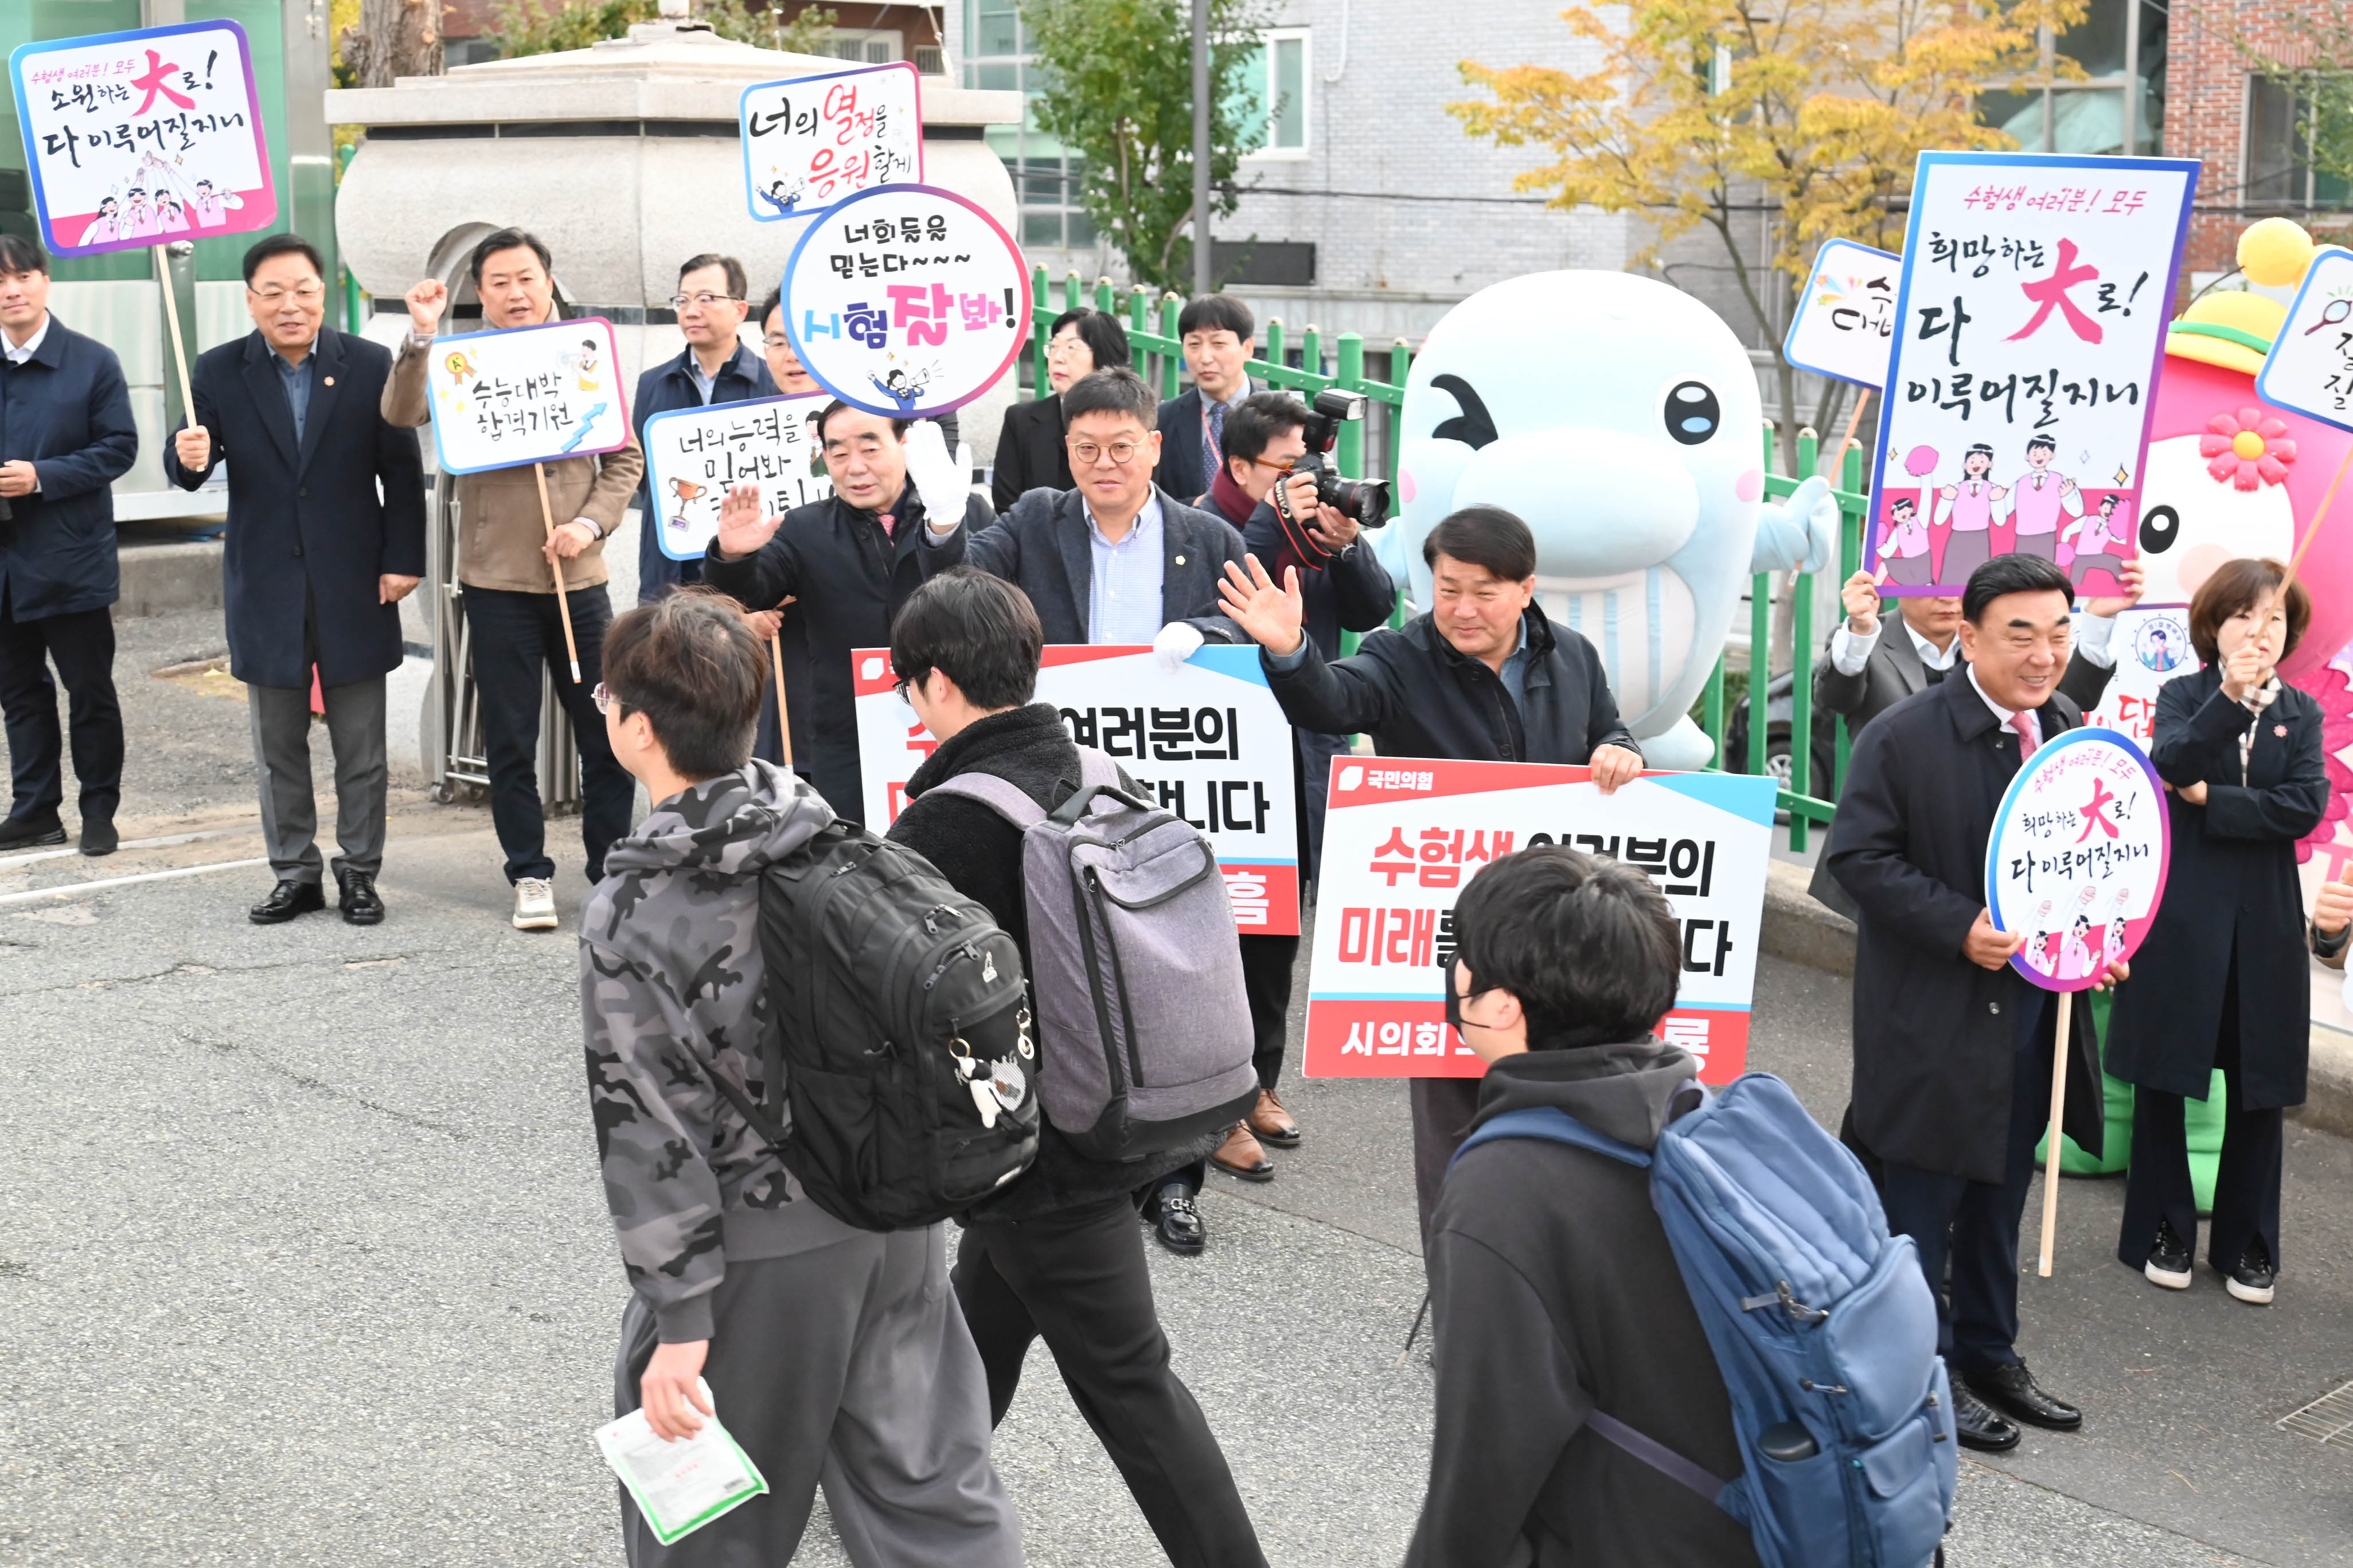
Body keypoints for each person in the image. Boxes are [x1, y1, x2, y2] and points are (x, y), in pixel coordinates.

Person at [581, 589, 1022, 1568]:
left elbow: (652, 1131)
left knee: (709, 1527)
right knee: (930, 1503)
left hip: (762, 1256)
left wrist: (681, 1326)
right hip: (895, 1221)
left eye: (609, 694)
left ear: (640, 730)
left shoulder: (638, 904)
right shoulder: (825, 832)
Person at [883, 568, 1265, 1568]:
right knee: (980, 1327)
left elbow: (896, 997)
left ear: (929, 684)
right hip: (1121, 1104)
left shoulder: (947, 823)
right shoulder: (1096, 770)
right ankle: (909, 1495)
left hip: (1042, 1154)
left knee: (1130, 1383)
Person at [1215, 503, 1645, 1243]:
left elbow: (1605, 727)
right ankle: (1467, 1298)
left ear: (1525, 588)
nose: (1462, 608)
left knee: (1559, 1121)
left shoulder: (1571, 655)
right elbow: (1332, 700)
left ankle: (1553, 1280)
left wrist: (1616, 746)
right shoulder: (1398, 655)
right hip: (1453, 937)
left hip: (1557, 934)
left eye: (1482, 591)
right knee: (1457, 1126)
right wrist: (1289, 652)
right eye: (1447, 588)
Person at [939, 365, 1251, 1250]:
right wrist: (938, 521)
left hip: (1169, 789)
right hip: (1063, 780)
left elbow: (1245, 619)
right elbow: (963, 586)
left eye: (1121, 446)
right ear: (1064, 448)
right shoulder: (1035, 520)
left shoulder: (1205, 535)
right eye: (1085, 448)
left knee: (1164, 964)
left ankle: (1175, 1176)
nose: (1103, 463)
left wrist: (1211, 636)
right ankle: (1086, 1139)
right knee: (1082, 959)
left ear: (1157, 445)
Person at [1823, 552, 2122, 1454]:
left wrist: (2093, 937)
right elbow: (1854, 861)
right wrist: (1957, 925)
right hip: (1933, 1011)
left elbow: (2079, 857)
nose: (2044, 653)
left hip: (2031, 1011)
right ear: (1971, 636)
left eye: (2059, 632)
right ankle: (1922, 1370)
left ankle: (1990, 1350)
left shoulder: (2065, 721)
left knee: (2001, 1189)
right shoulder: (1906, 734)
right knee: (1920, 1198)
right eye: (2020, 633)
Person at [1407, 845, 1760, 1568]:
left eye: (1462, 954)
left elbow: (1488, 1459)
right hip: (1767, 1519)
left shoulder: (1503, 1188)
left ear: (1500, 1002)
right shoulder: (1704, 1112)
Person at [385, 229, 645, 932]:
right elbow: (400, 413)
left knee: (607, 731)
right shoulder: (459, 360)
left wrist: (589, 524)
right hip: (495, 579)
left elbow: (625, 460)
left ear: (549, 282)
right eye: (498, 281)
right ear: (480, 291)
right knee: (510, 737)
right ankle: (528, 872)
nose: (515, 292)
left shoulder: (580, 355)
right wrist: (421, 333)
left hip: (579, 578)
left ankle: (611, 869)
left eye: (526, 277)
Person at [167, 233, 426, 924]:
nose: (291, 304)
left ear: (323, 292)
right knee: (277, 745)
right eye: (274, 292)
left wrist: (404, 559)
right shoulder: (220, 370)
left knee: (361, 747)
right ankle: (294, 871)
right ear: (250, 301)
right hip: (265, 582)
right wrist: (187, 454)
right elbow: (193, 458)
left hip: (354, 579)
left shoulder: (369, 364)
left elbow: (400, 472)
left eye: (304, 289)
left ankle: (360, 871)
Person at [2106, 558, 2326, 1307]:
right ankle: (2159, 1230)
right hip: (2182, 913)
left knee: (2257, 1086)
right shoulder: (2184, 694)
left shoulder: (2300, 710)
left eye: (2272, 619)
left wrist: (2215, 800)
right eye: (2243, 615)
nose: (2258, 630)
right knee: (2167, 1072)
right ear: (2213, 624)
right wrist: (2228, 701)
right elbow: (2170, 760)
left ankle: (2247, 1242)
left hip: (2263, 922)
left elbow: (2303, 804)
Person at [1192, 390, 1397, 1173]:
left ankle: (1258, 1084)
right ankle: (1204, 1095)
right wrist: (1275, 518)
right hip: (1217, 761)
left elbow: (1375, 608)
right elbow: (1228, 594)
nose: (1313, 482)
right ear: (1240, 467)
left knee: (1277, 926)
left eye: (1320, 467)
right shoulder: (1203, 526)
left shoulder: (1316, 530)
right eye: (1292, 467)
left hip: (1302, 750)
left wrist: (1342, 541)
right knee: (1205, 933)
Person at [1808, 557, 2144, 920]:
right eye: (1930, 583)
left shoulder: (2016, 660)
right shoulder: (1871, 647)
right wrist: (1859, 632)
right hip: (1904, 859)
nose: (1947, 598)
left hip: (1997, 862)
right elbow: (1836, 697)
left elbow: (2062, 697)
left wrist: (2099, 620)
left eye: (1959, 582)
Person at [701, 402, 984, 822]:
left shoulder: (960, 509)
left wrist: (945, 526)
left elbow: (982, 598)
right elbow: (749, 594)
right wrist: (733, 555)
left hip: (957, 729)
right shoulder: (803, 528)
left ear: (903, 444)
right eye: (837, 453)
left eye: (869, 449)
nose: (854, 467)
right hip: (848, 740)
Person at [0, 234, 138, 855]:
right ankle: (34, 810)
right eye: (1, 281)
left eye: (23, 275)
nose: (12, 289)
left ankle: (99, 808)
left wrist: (42, 476)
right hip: (5, 566)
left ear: (44, 280)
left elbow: (119, 447)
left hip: (68, 556)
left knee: (89, 687)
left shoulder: (91, 361)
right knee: (19, 690)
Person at [634, 255, 776, 602]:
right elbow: (644, 477)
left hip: (747, 571)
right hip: (669, 573)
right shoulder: (653, 383)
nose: (692, 310)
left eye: (706, 299)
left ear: (740, 310)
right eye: (682, 300)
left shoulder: (772, 382)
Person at [991, 307, 1130, 510]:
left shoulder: (1133, 421)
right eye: (1054, 347)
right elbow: (1007, 506)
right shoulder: (1021, 420)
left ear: (1105, 356)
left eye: (1072, 348)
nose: (1058, 357)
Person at [1153, 294, 1256, 502]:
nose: (1205, 357)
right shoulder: (1163, 419)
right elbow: (1150, 500)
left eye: (1218, 343)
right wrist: (1197, 507)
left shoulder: (1280, 417)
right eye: (1194, 345)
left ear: (1247, 348)